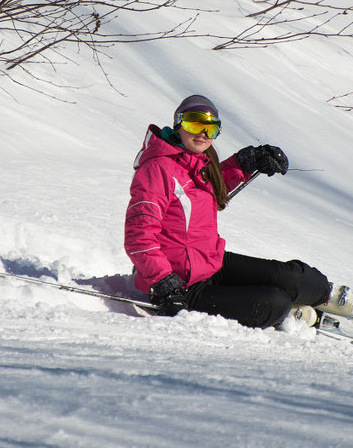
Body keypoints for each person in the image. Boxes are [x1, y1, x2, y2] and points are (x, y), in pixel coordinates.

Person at [123, 94, 333, 329]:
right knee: (272, 302)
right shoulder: (157, 169)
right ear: (179, 124)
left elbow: (207, 188)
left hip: (210, 263)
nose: (203, 133)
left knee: (293, 277)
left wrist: (248, 161)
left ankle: (336, 298)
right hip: (179, 285)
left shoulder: (196, 162)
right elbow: (138, 237)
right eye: (195, 123)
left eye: (211, 128)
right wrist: (163, 282)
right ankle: (293, 313)